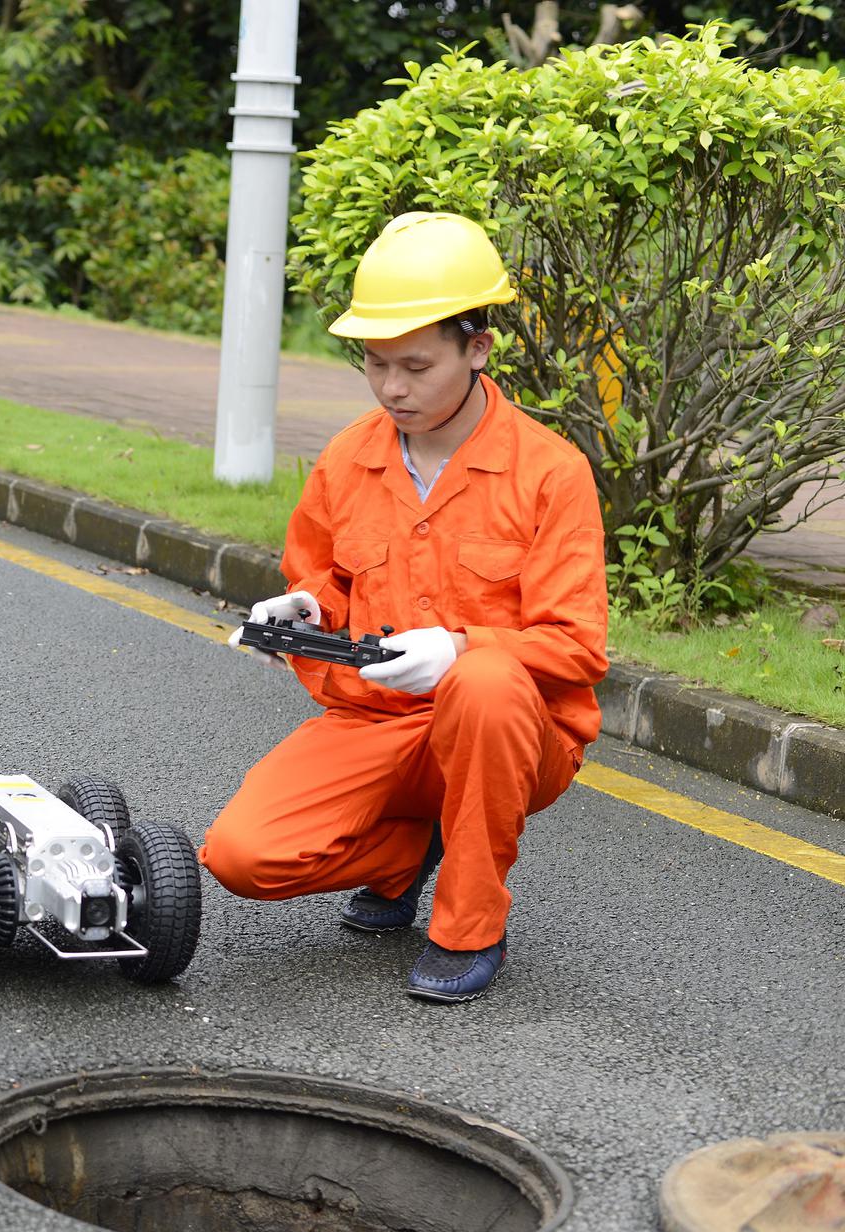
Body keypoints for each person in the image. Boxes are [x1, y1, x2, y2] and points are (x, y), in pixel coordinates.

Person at [200, 212, 608, 1003]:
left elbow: (577, 646)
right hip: (377, 722)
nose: (393, 387)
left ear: (478, 348)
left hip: (508, 735)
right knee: (240, 856)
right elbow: (326, 579)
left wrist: (460, 647)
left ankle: (469, 923)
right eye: (376, 364)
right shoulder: (350, 457)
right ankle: (403, 851)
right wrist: (304, 609)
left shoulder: (551, 474)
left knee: (484, 682)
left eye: (416, 366)